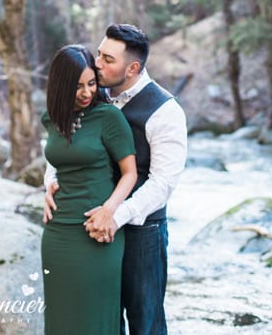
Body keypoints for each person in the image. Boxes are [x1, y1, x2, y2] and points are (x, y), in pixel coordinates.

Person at [45, 24, 187, 335]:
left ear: (132, 68)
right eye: (98, 53)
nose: (97, 63)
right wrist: (51, 179)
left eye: (108, 59)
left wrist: (114, 215)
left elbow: (162, 184)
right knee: (101, 319)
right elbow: (65, 140)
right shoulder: (91, 93)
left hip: (141, 232)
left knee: (145, 322)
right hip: (91, 230)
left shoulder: (166, 112)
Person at [40, 44, 137, 335]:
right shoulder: (51, 119)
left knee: (95, 319)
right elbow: (58, 163)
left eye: (91, 83)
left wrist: (110, 210)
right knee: (61, 321)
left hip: (98, 230)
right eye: (77, 86)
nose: (86, 93)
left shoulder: (109, 117)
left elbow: (129, 174)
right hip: (57, 233)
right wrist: (47, 185)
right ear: (61, 86)